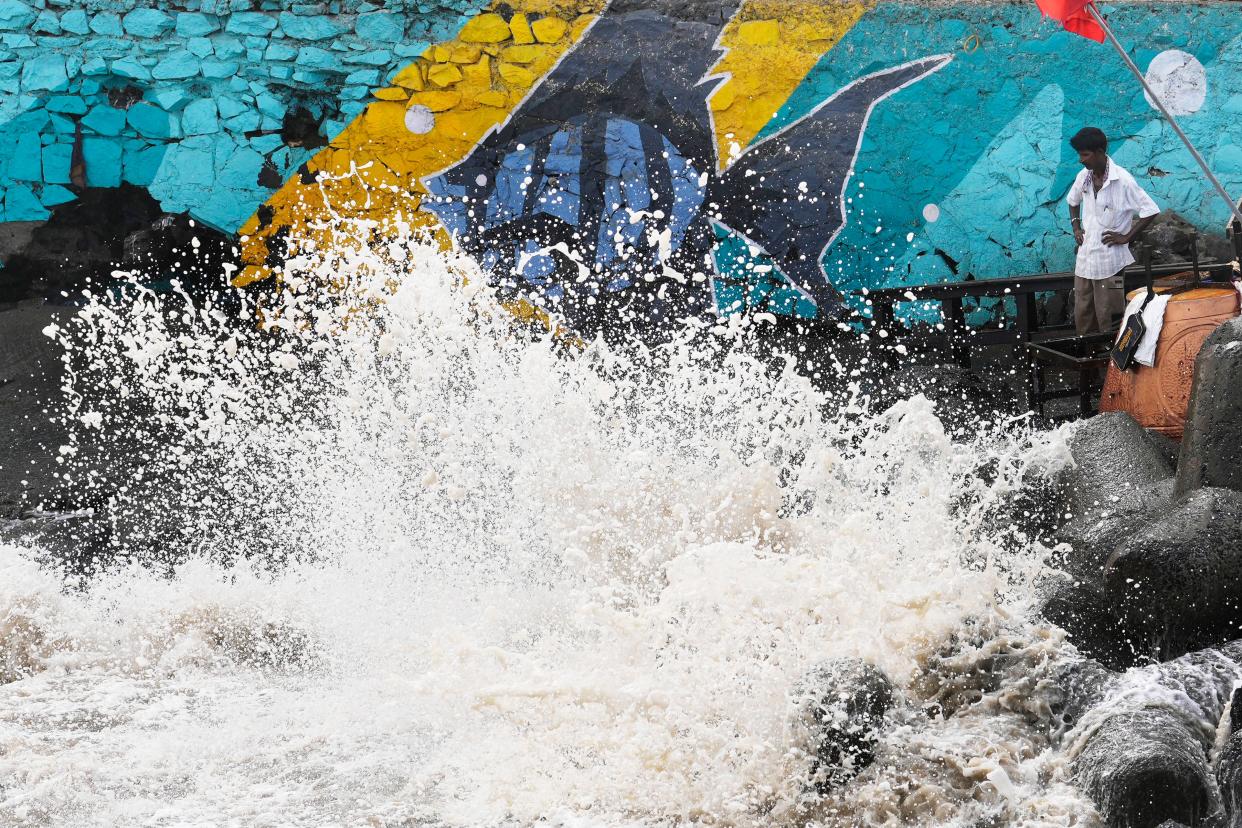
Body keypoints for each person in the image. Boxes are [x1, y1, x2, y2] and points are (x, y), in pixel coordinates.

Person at [1066, 127, 1160, 335]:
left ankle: (1111, 362)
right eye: (1080, 155)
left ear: (1100, 152)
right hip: (1085, 261)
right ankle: (1087, 362)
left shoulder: (1123, 181)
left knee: (1110, 317)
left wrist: (1126, 237)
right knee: (1083, 315)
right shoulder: (1084, 177)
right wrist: (1075, 226)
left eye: (1085, 154)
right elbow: (1072, 201)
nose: (1081, 160)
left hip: (1111, 264)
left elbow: (1151, 210)